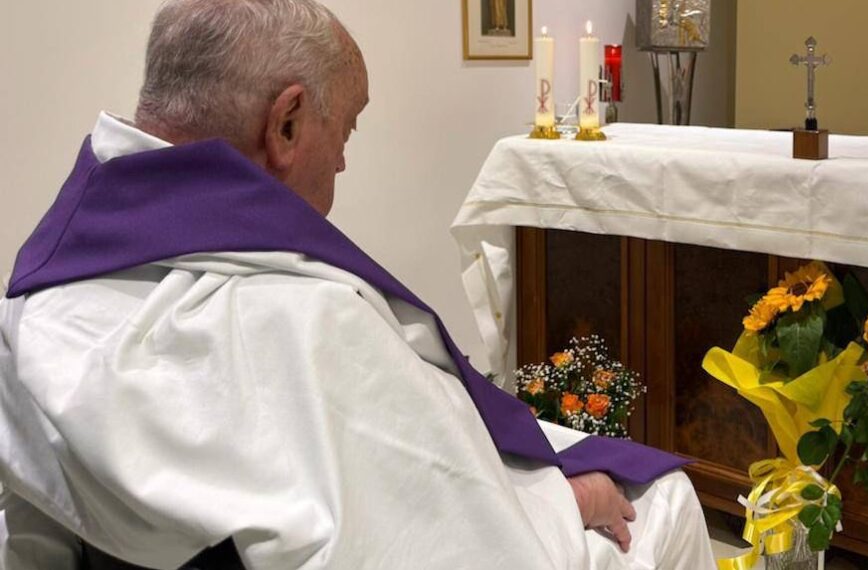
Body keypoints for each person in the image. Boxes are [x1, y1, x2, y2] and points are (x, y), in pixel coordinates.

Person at [0, 1, 716, 569]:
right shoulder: (303, 318)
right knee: (668, 500)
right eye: (346, 128)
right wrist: (567, 503)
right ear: (285, 125)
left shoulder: (43, 290)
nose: (342, 161)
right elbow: (441, 536)